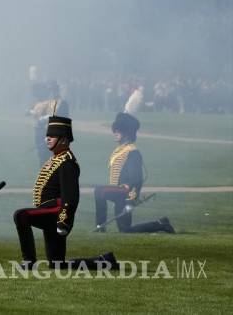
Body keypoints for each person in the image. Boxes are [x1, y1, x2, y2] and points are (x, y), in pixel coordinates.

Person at [13, 116, 115, 269]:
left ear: (64, 139)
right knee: (57, 264)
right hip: (48, 211)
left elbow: (70, 195)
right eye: (48, 135)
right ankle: (103, 261)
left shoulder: (67, 163)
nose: (48, 138)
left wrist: (63, 219)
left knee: (21, 215)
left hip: (57, 212)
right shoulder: (55, 160)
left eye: (53, 135)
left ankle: (29, 261)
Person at [93, 113, 175, 233]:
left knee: (99, 191)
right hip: (118, 192)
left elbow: (136, 178)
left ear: (127, 132)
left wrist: (130, 199)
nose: (115, 133)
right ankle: (161, 224)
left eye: (118, 130)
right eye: (115, 130)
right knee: (125, 229)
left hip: (125, 193)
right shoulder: (119, 150)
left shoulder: (132, 152)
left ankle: (100, 228)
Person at [28, 81, 70, 164]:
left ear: (56, 91)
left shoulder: (61, 103)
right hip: (41, 133)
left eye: (52, 90)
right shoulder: (43, 102)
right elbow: (35, 112)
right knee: (42, 158)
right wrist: (32, 112)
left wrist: (44, 119)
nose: (49, 92)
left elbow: (62, 118)